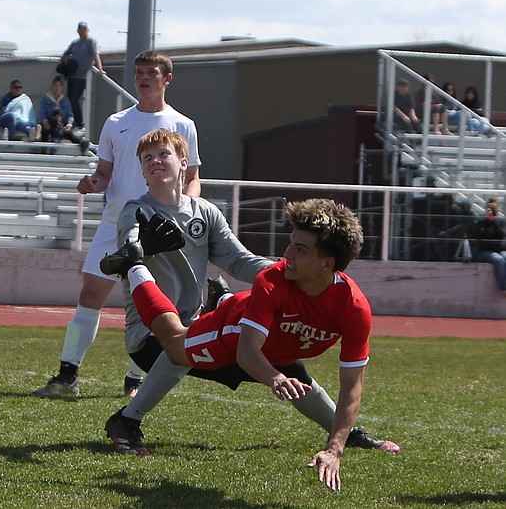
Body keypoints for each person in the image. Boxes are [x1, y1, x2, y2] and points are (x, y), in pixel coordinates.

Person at [97, 130, 400, 461]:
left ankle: (346, 434)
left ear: (184, 162)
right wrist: (138, 250)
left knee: (286, 364)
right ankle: (127, 420)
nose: (155, 161)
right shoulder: (135, 210)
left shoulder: (206, 213)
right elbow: (128, 247)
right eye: (147, 158)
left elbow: (239, 261)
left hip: (197, 322)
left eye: (163, 154)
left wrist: (289, 271)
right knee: (178, 349)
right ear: (141, 170)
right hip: (149, 329)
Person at [33, 51, 199, 400]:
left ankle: (135, 377)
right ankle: (68, 375)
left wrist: (187, 211)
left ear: (166, 79)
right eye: (139, 72)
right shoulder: (115, 122)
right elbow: (104, 175)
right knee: (91, 293)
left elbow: (193, 179)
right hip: (115, 223)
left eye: (151, 73)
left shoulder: (183, 125)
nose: (144, 78)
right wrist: (92, 183)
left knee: (153, 303)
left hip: (159, 225)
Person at [63, 21, 105, 131]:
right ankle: (70, 122)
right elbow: (66, 53)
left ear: (88, 30)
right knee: (69, 100)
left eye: (84, 29)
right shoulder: (75, 42)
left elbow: (96, 55)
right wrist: (66, 60)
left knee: (75, 99)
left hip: (82, 77)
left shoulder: (91, 41)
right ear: (77, 30)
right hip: (72, 75)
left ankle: (79, 123)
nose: (82, 31)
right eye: (80, 29)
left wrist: (100, 69)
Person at [467, 199, 506, 293]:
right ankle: (504, 287)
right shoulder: (480, 222)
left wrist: (494, 221)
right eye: (489, 209)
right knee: (499, 259)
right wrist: (488, 220)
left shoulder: (500, 222)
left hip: (498, 250)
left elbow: (501, 236)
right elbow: (481, 237)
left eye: (493, 209)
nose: (490, 212)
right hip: (483, 251)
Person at [38, 76, 86, 147]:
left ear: (62, 88)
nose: (57, 88)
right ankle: (44, 150)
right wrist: (45, 121)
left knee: (69, 134)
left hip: (62, 124)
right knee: (45, 131)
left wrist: (69, 124)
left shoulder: (65, 100)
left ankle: (82, 143)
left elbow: (70, 114)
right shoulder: (46, 98)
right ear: (51, 87)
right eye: (55, 85)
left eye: (59, 86)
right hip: (49, 124)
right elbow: (42, 112)